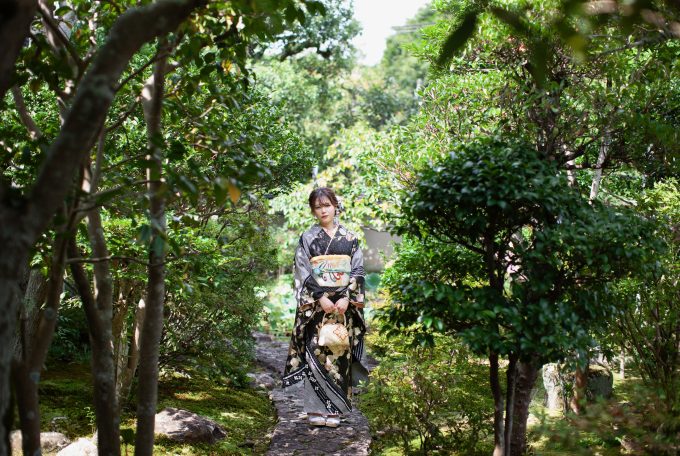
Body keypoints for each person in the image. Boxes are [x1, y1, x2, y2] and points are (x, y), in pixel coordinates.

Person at [282, 187, 368, 428]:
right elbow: (302, 270)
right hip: (317, 308)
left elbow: (358, 270)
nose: (323, 211)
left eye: (327, 205)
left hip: (341, 308)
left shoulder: (350, 238)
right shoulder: (308, 238)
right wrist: (320, 297)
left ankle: (335, 410)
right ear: (312, 210)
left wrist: (346, 297)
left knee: (339, 352)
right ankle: (314, 409)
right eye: (318, 207)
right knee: (315, 353)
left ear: (335, 206)